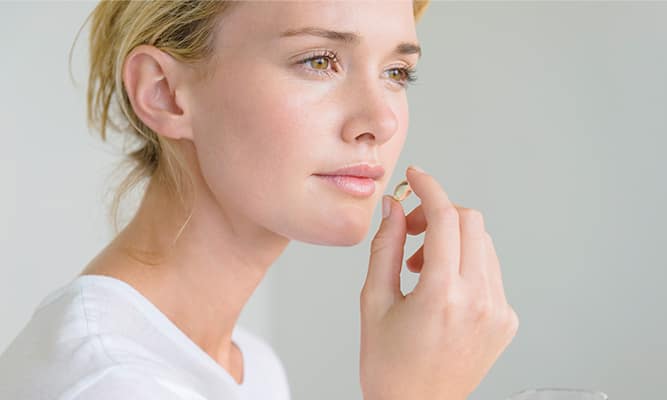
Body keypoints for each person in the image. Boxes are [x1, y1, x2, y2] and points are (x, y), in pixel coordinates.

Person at [0, 1, 519, 399]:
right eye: (320, 60)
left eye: (396, 72)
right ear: (164, 92)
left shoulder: (252, 368)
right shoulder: (111, 383)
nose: (381, 121)